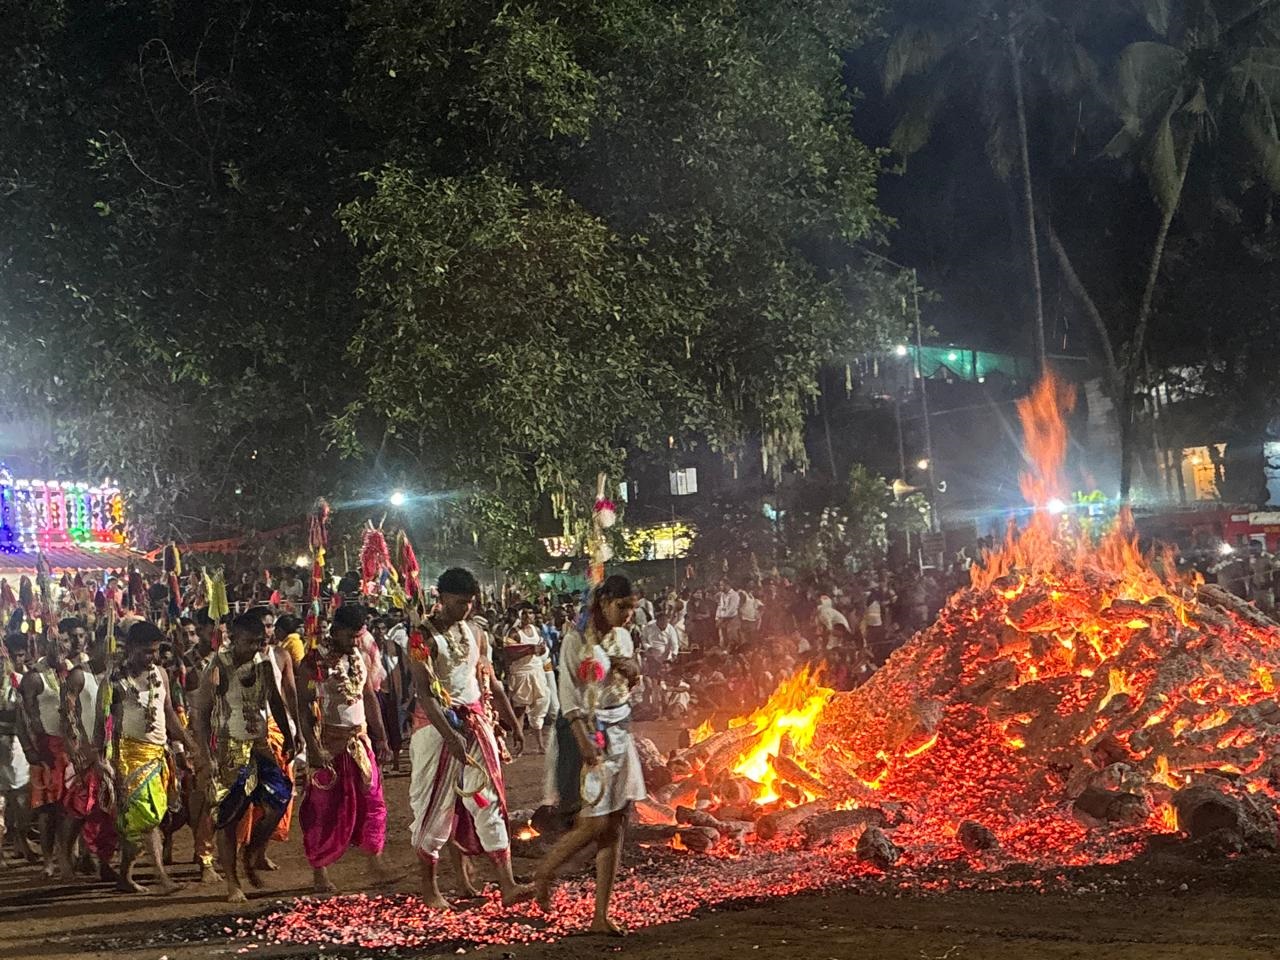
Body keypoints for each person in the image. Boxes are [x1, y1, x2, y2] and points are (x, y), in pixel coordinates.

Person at [407, 568, 531, 909]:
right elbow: (425, 694)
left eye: (470, 603)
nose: (466, 609)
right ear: (442, 598)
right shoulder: (421, 638)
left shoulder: (477, 632)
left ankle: (507, 883)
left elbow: (489, 681)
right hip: (435, 731)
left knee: (487, 799)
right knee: (434, 806)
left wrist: (512, 722)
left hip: (477, 723)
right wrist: (450, 736)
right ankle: (430, 890)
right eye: (460, 602)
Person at [535, 575, 645, 936]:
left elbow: (625, 683)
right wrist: (584, 743)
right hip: (589, 731)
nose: (628, 614)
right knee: (593, 822)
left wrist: (634, 673)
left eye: (632, 607)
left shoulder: (624, 637)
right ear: (603, 602)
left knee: (616, 825)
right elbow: (569, 697)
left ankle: (601, 914)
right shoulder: (574, 639)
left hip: (620, 731)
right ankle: (546, 872)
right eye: (622, 606)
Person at [191, 612, 295, 903]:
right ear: (233, 639)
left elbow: (275, 699)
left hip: (260, 744)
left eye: (261, 642)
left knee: (280, 797)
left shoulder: (262, 664)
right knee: (229, 816)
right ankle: (233, 883)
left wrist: (289, 734)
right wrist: (206, 752)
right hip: (229, 748)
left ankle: (253, 850)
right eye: (250, 642)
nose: (256, 648)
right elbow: (201, 711)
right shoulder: (218, 666)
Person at [297, 603, 392, 894]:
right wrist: (312, 747)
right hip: (328, 743)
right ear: (335, 631)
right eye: (350, 636)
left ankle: (375, 862)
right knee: (322, 808)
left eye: (357, 637)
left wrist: (382, 737)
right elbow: (304, 708)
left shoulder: (359, 657)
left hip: (359, 741)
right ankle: (320, 870)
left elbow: (369, 698)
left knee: (373, 801)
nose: (354, 642)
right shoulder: (313, 663)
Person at [98, 621, 198, 895]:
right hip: (129, 758)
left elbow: (168, 713)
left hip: (158, 756)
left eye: (155, 651)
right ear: (129, 648)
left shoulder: (161, 674)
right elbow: (102, 723)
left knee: (148, 819)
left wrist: (189, 744)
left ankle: (125, 876)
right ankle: (161, 876)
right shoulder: (115, 681)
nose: (151, 657)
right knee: (147, 818)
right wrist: (103, 760)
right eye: (145, 651)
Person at [57, 618, 118, 882]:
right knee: (80, 808)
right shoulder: (80, 675)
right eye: (108, 648)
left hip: (110, 751)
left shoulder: (116, 677)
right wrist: (76, 749)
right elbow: (66, 714)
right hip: (84, 752)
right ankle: (64, 856)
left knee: (108, 810)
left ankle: (103, 860)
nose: (113, 654)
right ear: (95, 647)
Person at [20, 628, 74, 877]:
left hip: (70, 745)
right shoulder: (33, 677)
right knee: (47, 808)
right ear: (44, 645)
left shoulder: (71, 670)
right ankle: (48, 861)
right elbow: (26, 717)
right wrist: (31, 748)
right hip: (47, 747)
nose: (62, 646)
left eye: (64, 640)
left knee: (71, 805)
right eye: (56, 642)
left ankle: (68, 855)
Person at [0, 633, 33, 865]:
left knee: (22, 801)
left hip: (18, 746)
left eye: (20, 655)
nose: (15, 660)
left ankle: (23, 842)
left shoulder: (23, 680)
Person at [502, 607, 552, 754]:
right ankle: (519, 744)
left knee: (540, 706)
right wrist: (530, 649)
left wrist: (540, 649)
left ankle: (540, 745)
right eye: (524, 613)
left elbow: (542, 649)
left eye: (530, 613)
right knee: (520, 710)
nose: (527, 616)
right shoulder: (514, 633)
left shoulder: (536, 630)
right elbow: (509, 653)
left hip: (537, 671)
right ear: (519, 615)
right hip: (521, 674)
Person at [714, 579, 741, 648]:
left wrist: (722, 618)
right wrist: (717, 617)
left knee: (732, 637)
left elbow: (732, 609)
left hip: (732, 619)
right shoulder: (722, 595)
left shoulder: (734, 595)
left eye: (722, 585)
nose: (720, 587)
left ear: (728, 585)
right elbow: (720, 606)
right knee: (723, 638)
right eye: (720, 585)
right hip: (723, 619)